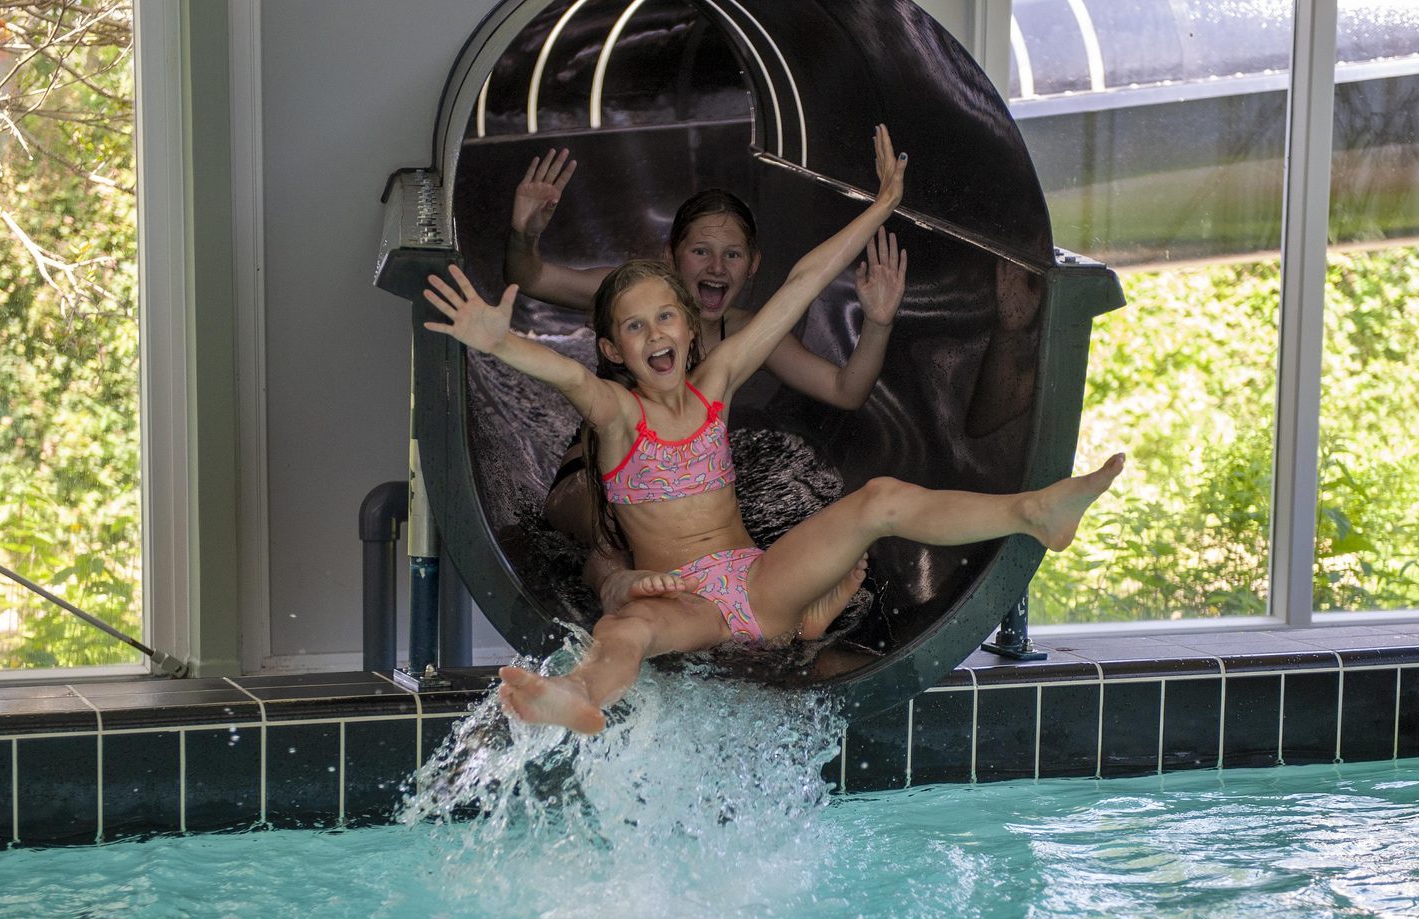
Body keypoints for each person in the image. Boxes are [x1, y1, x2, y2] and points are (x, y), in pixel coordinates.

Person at [425, 126, 1122, 735]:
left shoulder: (717, 382)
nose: (655, 335)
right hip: (687, 599)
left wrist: (881, 206)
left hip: (758, 580)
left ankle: (1032, 511)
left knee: (879, 498)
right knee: (626, 627)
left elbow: (801, 283)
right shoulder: (618, 413)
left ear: (689, 326)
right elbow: (566, 378)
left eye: (665, 319)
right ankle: (577, 693)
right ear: (614, 351)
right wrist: (499, 342)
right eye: (634, 328)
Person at [505, 147, 906, 597]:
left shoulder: (745, 336)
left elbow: (845, 390)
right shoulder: (632, 298)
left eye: (732, 255)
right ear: (671, 257)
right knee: (614, 531)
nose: (717, 267)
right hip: (594, 478)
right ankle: (617, 586)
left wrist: (877, 323)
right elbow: (531, 276)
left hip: (681, 493)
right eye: (701, 251)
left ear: (753, 266)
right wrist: (525, 234)